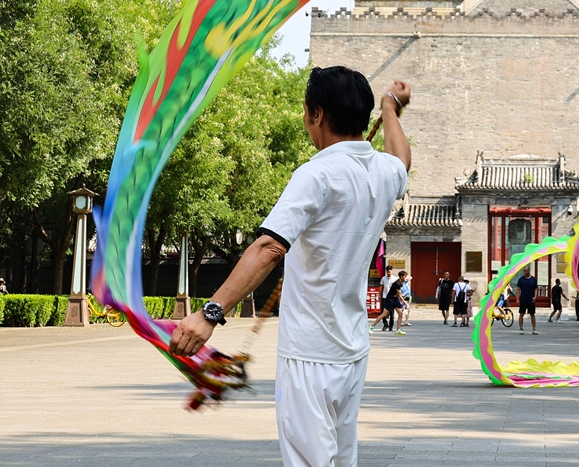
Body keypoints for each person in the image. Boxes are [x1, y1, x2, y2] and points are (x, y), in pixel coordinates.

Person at [168, 66, 411, 467]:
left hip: (309, 353)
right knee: (340, 458)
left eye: (305, 112)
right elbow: (401, 158)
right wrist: (391, 108)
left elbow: (268, 248)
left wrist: (209, 314)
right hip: (351, 349)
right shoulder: (384, 173)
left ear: (316, 114)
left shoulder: (316, 173)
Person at [516, 265, 539, 335]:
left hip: (531, 299)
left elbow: (535, 288)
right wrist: (517, 299)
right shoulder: (521, 279)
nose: (524, 272)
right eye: (523, 271)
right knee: (521, 314)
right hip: (523, 299)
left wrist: (535, 296)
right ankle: (521, 328)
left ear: (529, 271)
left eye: (525, 271)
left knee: (532, 314)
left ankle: (534, 328)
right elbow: (518, 289)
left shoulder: (533, 279)